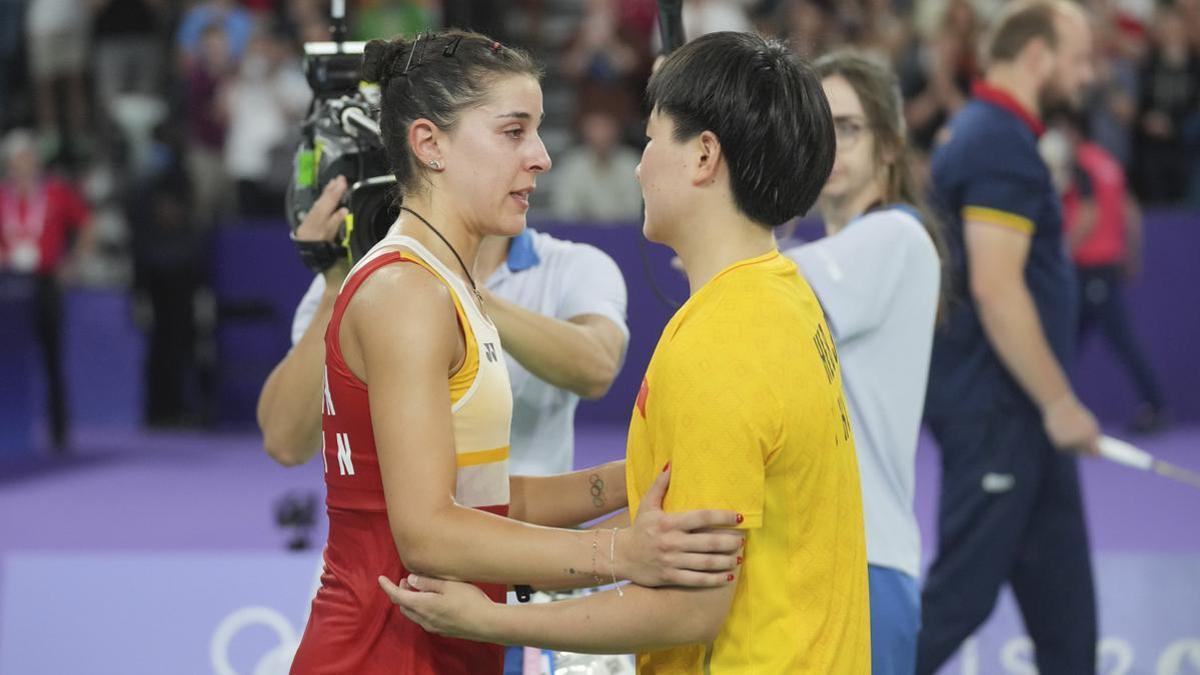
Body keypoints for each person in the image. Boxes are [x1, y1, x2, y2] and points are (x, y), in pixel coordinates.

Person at [381, 31, 871, 674]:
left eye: (650, 139)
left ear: (702, 157)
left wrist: (488, 619)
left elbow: (689, 610)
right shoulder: (783, 294)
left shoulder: (720, 343)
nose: (639, 167)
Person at [286, 31, 742, 675]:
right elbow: (429, 534)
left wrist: (642, 470)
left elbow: (486, 501)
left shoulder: (444, 284)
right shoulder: (407, 293)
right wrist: (620, 554)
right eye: (513, 132)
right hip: (381, 653)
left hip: (443, 650)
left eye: (538, 131)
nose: (541, 157)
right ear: (429, 144)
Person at [918, 2, 1100, 673]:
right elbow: (997, 289)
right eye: (1080, 60)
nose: (1089, 77)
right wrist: (1058, 401)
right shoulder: (996, 141)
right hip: (1001, 415)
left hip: (1024, 420)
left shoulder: (994, 133)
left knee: (1067, 621)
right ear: (1037, 57)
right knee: (956, 602)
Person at [783, 49, 943, 675]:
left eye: (846, 128)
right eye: (816, 130)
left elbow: (752, 278)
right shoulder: (814, 255)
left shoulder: (897, 236)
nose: (830, 147)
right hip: (810, 562)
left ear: (891, 145)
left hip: (863, 565)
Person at [1055, 115, 1168, 434]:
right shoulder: (1107, 161)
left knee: (1107, 342)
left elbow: (1088, 216)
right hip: (1104, 266)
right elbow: (1130, 209)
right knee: (1067, 342)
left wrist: (1059, 249)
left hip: (1089, 268)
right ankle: (1049, 404)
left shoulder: (1079, 165)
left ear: (1073, 132)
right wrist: (1131, 253)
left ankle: (1157, 406)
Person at [0, 129, 93, 453]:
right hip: (9, 286)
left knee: (52, 358)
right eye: (16, 160)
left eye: (28, 159)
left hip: (46, 282)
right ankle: (10, 428)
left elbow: (86, 223)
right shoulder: (2, 196)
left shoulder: (55, 192)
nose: (23, 166)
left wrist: (74, 263)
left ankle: (58, 432)